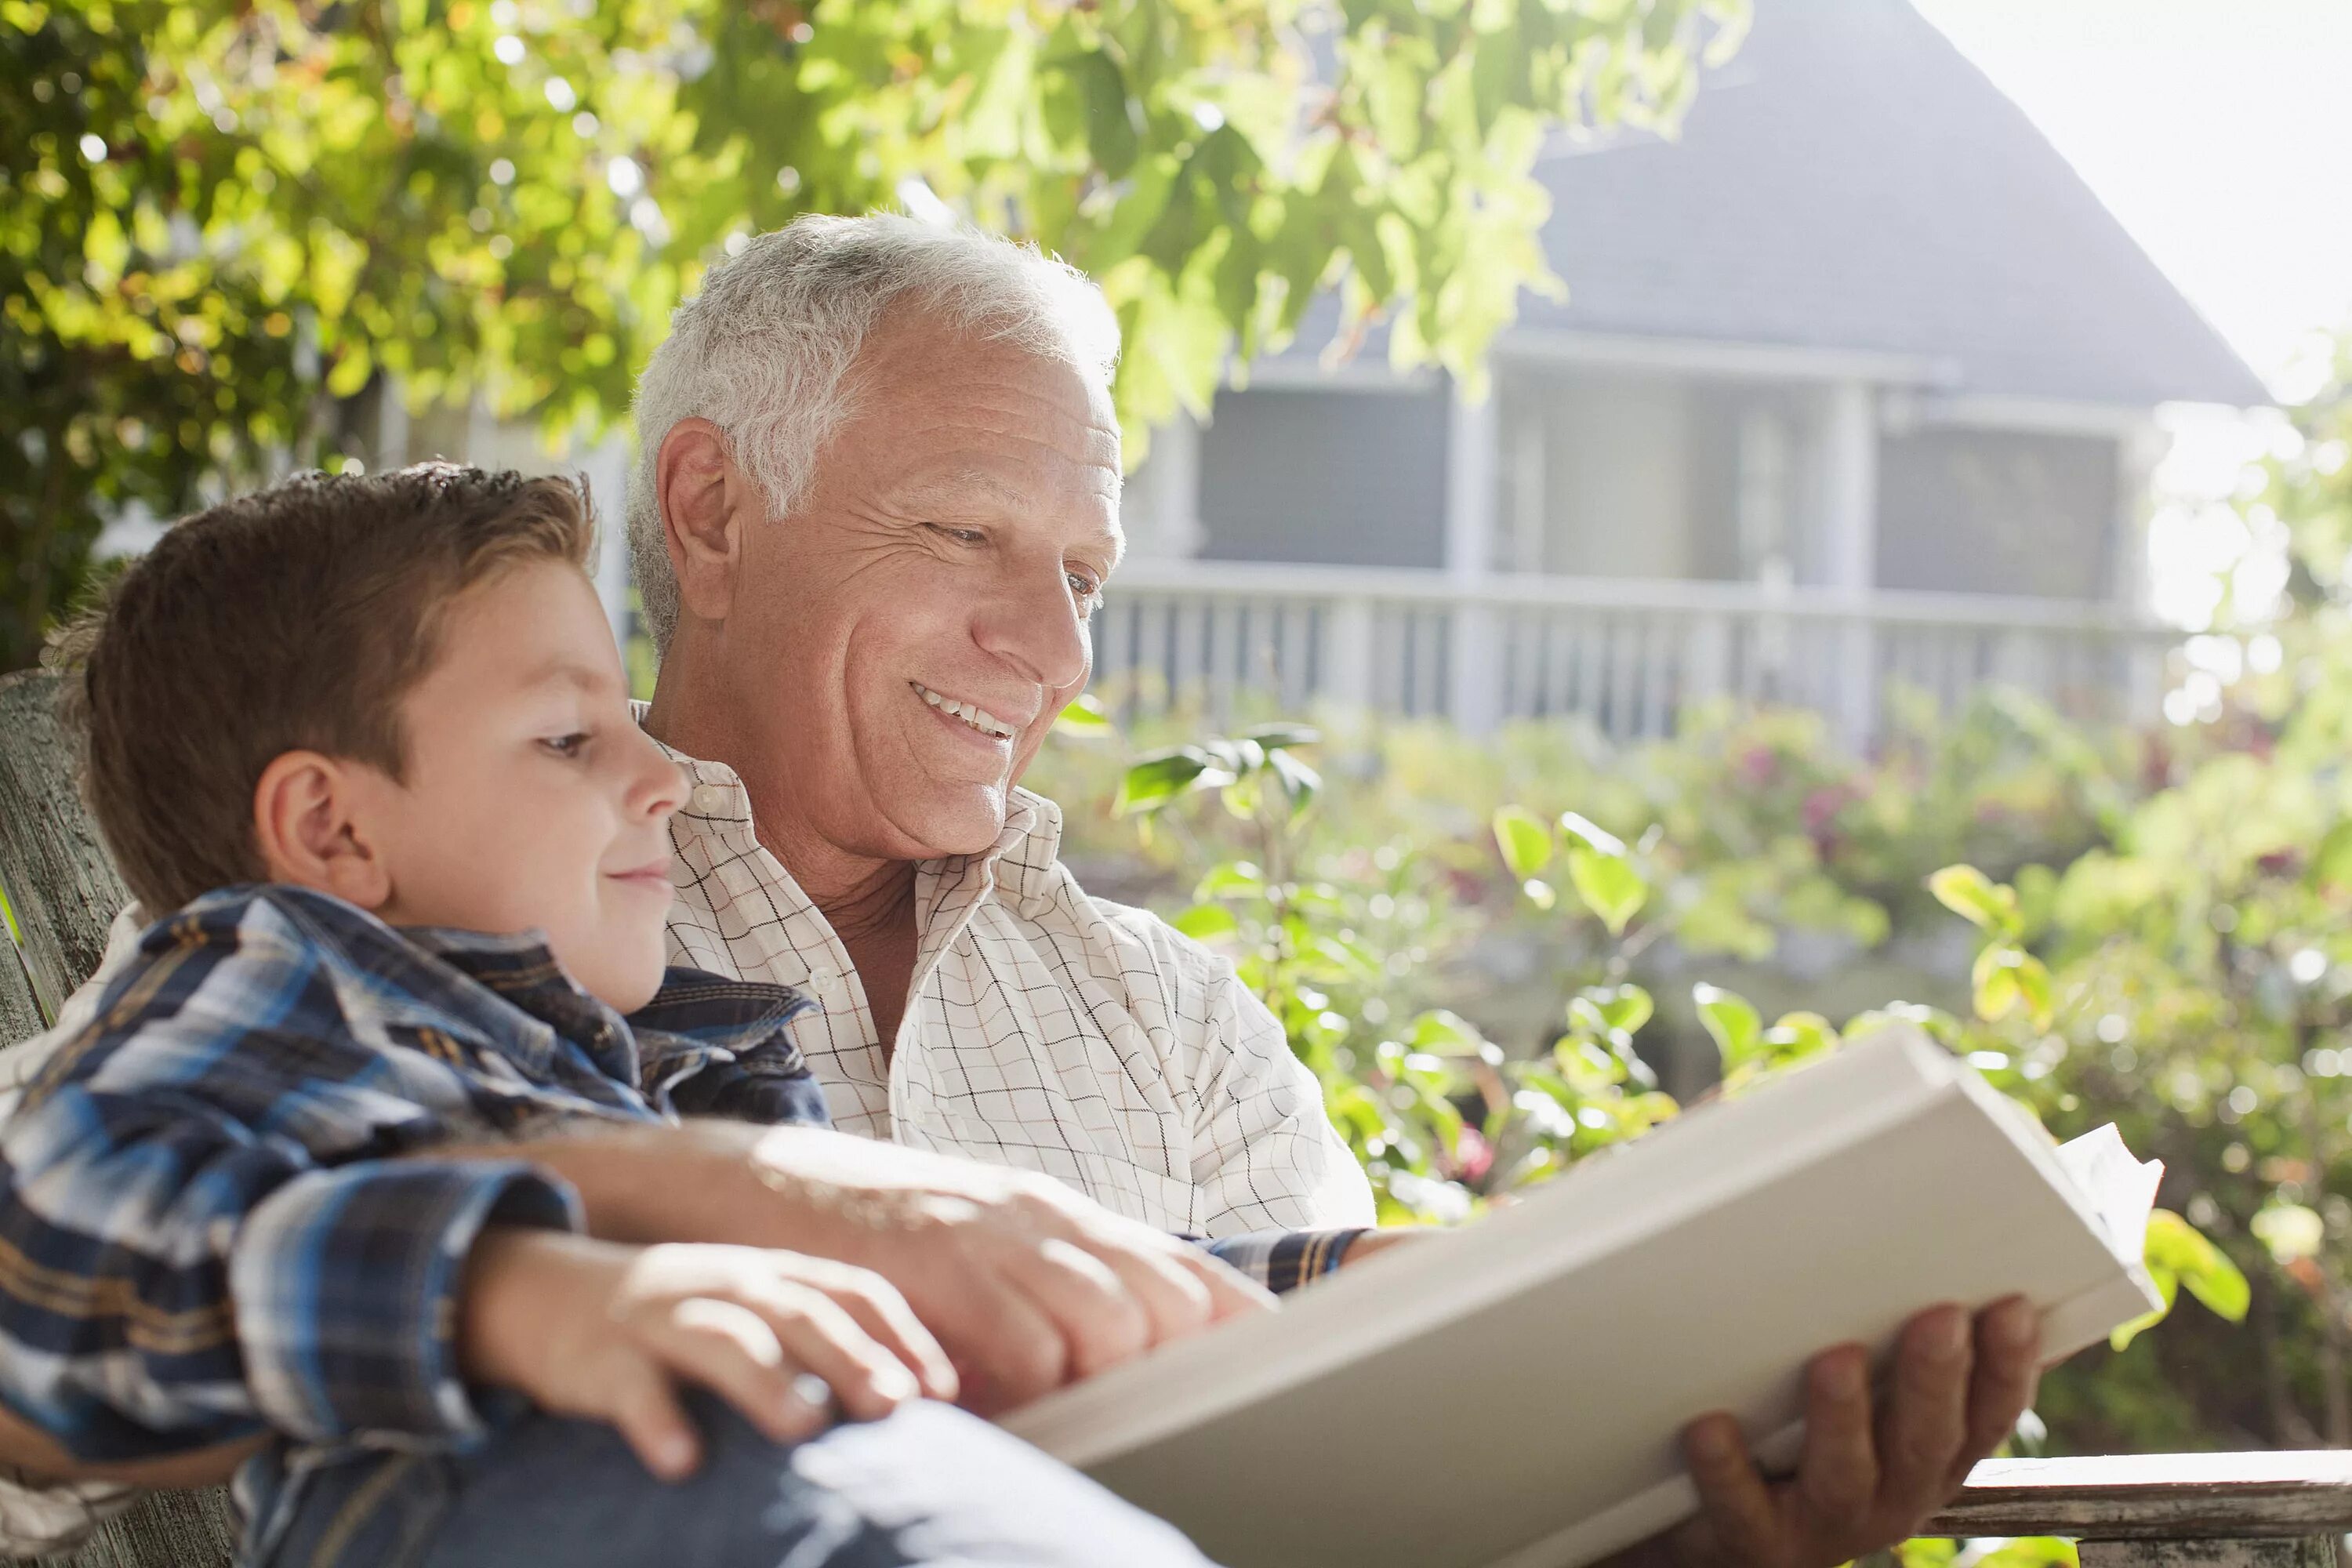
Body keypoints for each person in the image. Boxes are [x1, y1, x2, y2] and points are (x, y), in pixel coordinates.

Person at [620, 212, 2045, 1568]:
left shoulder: (1178, 1024)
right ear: (714, 514)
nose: (1058, 652)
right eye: (964, 535)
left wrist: (1656, 1532)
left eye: (1086, 575)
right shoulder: (473, 969)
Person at [0, 465, 1235, 1566]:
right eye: (566, 738)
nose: (663, 777)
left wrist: (1325, 1281)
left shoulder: (680, 1063)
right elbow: (50, 1239)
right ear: (332, 830)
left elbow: (1001, 1287)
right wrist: (504, 1292)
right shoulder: (287, 973)